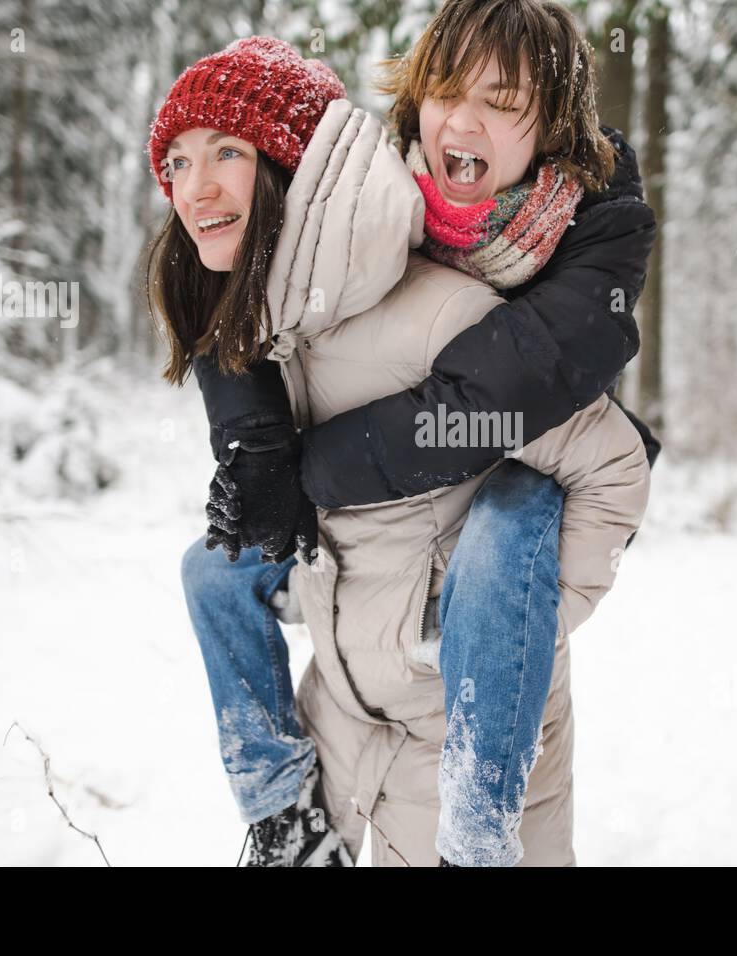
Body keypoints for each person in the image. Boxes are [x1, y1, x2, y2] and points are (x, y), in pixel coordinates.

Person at [157, 0, 655, 868]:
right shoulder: (357, 236)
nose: (463, 120)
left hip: (471, 701)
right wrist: (270, 469)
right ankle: (283, 820)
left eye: (503, 102)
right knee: (212, 565)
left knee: (512, 507)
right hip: (350, 715)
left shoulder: (530, 261)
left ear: (553, 135)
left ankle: (476, 825)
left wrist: (503, 625)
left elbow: (584, 430)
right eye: (446, 91)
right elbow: (232, 287)